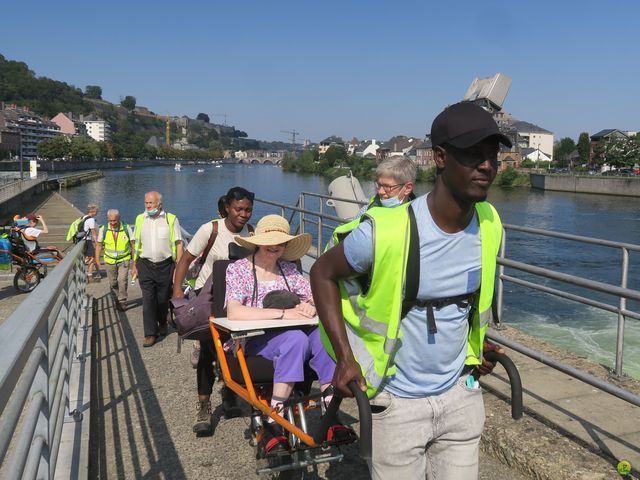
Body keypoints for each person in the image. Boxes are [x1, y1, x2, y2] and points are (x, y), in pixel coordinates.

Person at [310, 101, 510, 479]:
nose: (487, 165)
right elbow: (321, 273)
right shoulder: (384, 232)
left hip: (460, 397)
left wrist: (475, 344)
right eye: (472, 155)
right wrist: (344, 357)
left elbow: (466, 303)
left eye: (493, 156)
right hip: (396, 403)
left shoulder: (489, 223)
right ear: (439, 157)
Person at [226, 214, 355, 456]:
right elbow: (234, 312)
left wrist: (311, 306)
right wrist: (284, 314)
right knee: (296, 337)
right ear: (258, 242)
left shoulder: (289, 270)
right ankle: (274, 418)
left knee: (321, 333)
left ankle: (329, 408)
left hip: (292, 337)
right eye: (269, 241)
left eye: (281, 242)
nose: (275, 246)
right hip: (254, 339)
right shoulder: (239, 270)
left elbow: (315, 296)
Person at [172, 186, 255, 436]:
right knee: (208, 354)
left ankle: (230, 396)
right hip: (209, 299)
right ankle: (204, 406)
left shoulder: (252, 233)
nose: (244, 214)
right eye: (238, 209)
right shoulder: (211, 229)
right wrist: (177, 291)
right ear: (227, 207)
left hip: (238, 302)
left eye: (248, 209)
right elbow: (186, 259)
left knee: (236, 350)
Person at [132, 191, 183, 348]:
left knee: (162, 299)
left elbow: (178, 243)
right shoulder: (140, 219)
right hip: (145, 264)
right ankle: (150, 334)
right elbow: (135, 243)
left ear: (160, 204)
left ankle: (162, 322)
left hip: (165, 265)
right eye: (146, 203)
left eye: (151, 203)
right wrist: (134, 264)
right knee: (148, 300)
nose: (148, 206)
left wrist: (178, 268)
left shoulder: (170, 219)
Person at [95, 209, 135, 311]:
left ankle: (122, 301)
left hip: (124, 260)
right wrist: (97, 260)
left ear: (119, 219)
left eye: (114, 221)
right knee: (113, 283)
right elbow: (99, 245)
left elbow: (133, 245)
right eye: (110, 221)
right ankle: (117, 298)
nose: (112, 223)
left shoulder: (126, 228)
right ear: (107, 219)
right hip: (109, 260)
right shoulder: (104, 229)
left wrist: (134, 261)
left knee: (122, 280)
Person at [80, 204, 100, 281]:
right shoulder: (91, 220)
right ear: (93, 211)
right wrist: (97, 243)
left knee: (90, 257)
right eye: (97, 211)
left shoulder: (83, 217)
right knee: (92, 258)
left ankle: (89, 273)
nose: (97, 213)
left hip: (82, 240)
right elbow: (93, 232)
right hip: (87, 241)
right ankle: (89, 276)